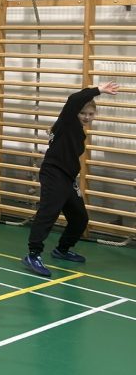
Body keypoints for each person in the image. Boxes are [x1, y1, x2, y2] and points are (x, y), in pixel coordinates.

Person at [22, 81, 120, 277]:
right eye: (83, 113)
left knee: (80, 218)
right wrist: (98, 90)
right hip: (53, 173)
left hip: (67, 177)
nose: (86, 117)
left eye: (90, 114)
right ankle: (33, 254)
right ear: (75, 113)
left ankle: (62, 249)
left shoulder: (77, 131)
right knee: (48, 213)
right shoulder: (68, 121)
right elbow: (74, 99)